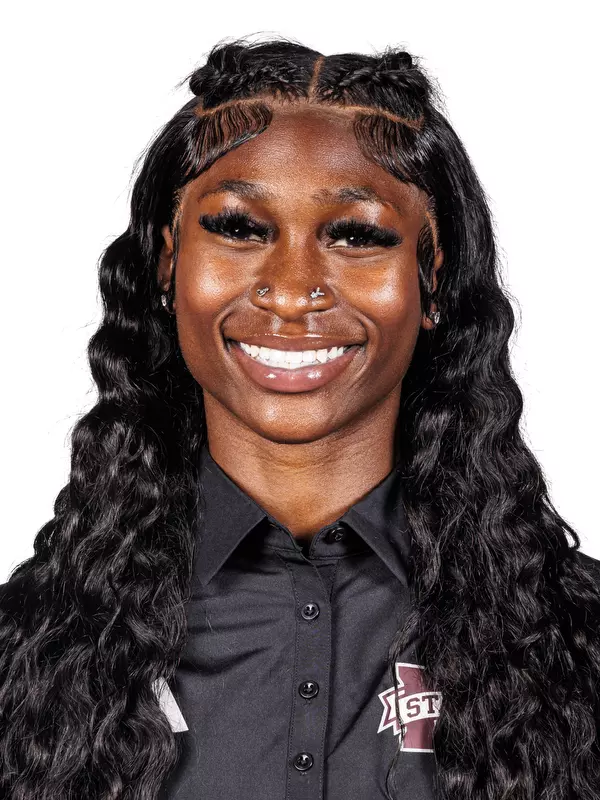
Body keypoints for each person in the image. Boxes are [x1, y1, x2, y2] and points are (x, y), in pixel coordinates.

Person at [1, 34, 599, 800]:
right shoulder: (26, 654)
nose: (290, 292)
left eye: (356, 236)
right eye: (239, 228)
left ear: (431, 278)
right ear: (167, 263)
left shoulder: (578, 647)